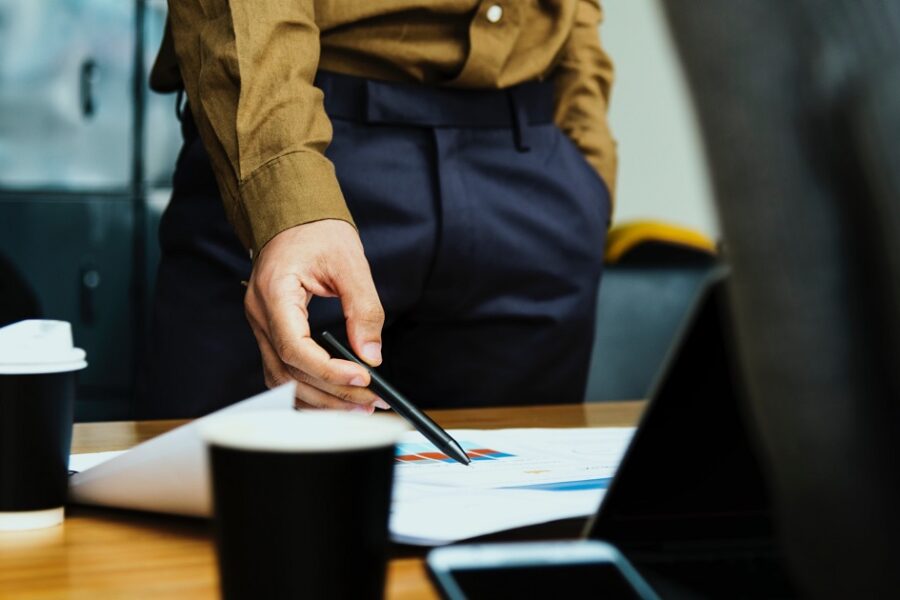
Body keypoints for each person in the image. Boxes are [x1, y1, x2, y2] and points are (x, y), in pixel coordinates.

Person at [136, 1, 617, 419]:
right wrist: (285, 190)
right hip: (312, 143)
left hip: (526, 164)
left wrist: (586, 172)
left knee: (517, 513)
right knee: (220, 505)